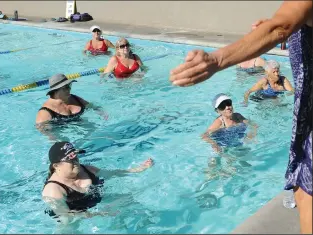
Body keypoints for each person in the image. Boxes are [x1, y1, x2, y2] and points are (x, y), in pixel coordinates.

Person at [169, 1, 312, 233]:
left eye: (229, 104)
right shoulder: (221, 120)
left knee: (306, 192)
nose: (228, 107)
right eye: (223, 105)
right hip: (246, 134)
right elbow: (284, 26)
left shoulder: (239, 115)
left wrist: (217, 60)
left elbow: (281, 26)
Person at [42, 141, 153, 219]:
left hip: (94, 202)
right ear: (56, 166)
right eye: (70, 159)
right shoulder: (53, 190)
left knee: (127, 199)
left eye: (75, 156)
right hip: (75, 213)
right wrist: (99, 214)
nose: (76, 161)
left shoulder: (87, 169)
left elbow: (113, 174)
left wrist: (138, 169)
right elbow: (66, 216)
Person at [36, 74, 107, 125]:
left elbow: (94, 107)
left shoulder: (75, 99)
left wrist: (104, 115)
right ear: (55, 91)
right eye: (65, 87)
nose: (69, 89)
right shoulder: (46, 112)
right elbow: (44, 131)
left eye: (70, 85)